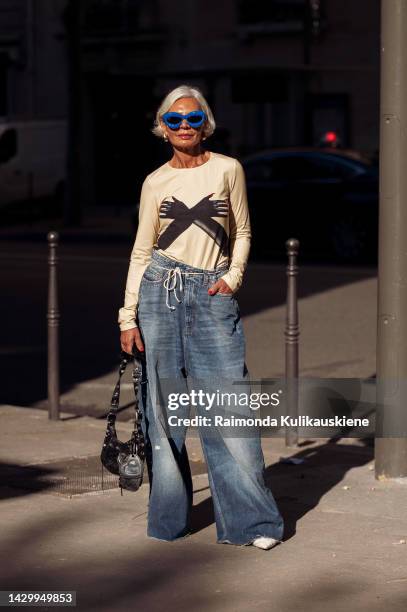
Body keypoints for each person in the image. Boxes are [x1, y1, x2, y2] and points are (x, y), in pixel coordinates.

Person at [119, 84, 284, 550]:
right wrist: (126, 317)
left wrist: (232, 278)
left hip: (211, 293)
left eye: (193, 119)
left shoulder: (228, 169)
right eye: (174, 120)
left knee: (229, 409)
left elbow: (244, 231)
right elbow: (141, 250)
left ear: (206, 123)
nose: (185, 126)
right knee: (162, 413)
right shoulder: (155, 181)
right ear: (162, 127)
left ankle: (252, 523)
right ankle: (170, 520)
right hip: (159, 291)